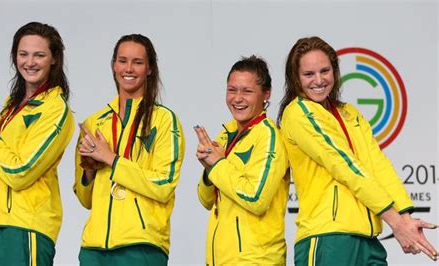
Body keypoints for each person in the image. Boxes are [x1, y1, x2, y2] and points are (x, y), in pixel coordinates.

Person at [277, 36, 438, 265]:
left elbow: (377, 164)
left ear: (335, 71)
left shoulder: (349, 113)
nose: (319, 80)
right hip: (327, 238)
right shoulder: (298, 113)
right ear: (295, 78)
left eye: (325, 71)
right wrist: (396, 222)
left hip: (367, 238)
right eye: (309, 74)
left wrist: (405, 218)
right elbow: (344, 165)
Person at [74, 34, 185, 266]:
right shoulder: (94, 122)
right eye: (123, 60)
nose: (129, 68)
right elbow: (85, 199)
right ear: (114, 65)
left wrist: (112, 159)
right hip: (93, 249)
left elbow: (164, 185)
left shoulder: (164, 120)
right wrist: (89, 171)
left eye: (138, 62)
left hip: (141, 247)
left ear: (150, 69)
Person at [0, 21, 75, 265]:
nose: (29, 62)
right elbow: (0, 165)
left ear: (54, 59)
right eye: (23, 54)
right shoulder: (12, 106)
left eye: (39, 55)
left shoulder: (55, 110)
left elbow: (20, 172)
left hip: (26, 228)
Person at [195, 55, 290, 265]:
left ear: (266, 94)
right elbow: (206, 200)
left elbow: (256, 198)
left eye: (247, 91)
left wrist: (218, 164)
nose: (237, 98)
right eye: (232, 90)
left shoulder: (269, 136)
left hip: (257, 260)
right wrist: (208, 171)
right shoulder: (226, 134)